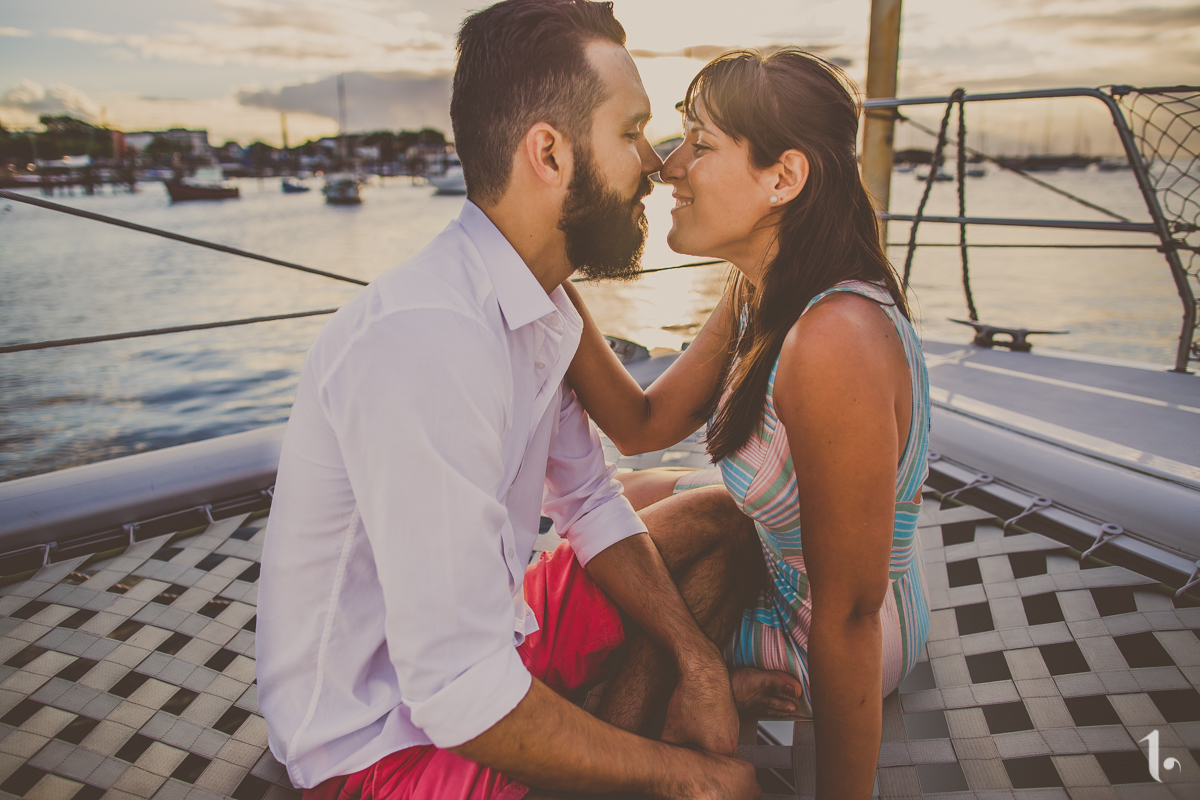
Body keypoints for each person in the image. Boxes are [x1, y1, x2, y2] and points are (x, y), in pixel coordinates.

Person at [257, 2, 762, 799]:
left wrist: (699, 665)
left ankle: (653, 711)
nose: (659, 163)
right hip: (379, 750)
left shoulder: (539, 304)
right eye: (632, 131)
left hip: (491, 650)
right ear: (550, 152)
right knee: (682, 767)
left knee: (724, 524)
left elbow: (591, 500)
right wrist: (685, 777)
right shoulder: (424, 341)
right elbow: (461, 693)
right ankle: (645, 742)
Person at [563, 49, 932, 799]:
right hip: (795, 577)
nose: (669, 168)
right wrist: (541, 274)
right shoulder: (760, 291)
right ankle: (708, 680)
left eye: (700, 145)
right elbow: (642, 422)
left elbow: (852, 613)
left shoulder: (837, 341)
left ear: (784, 178)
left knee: (608, 571)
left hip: (830, 631)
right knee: (625, 493)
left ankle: (623, 716)